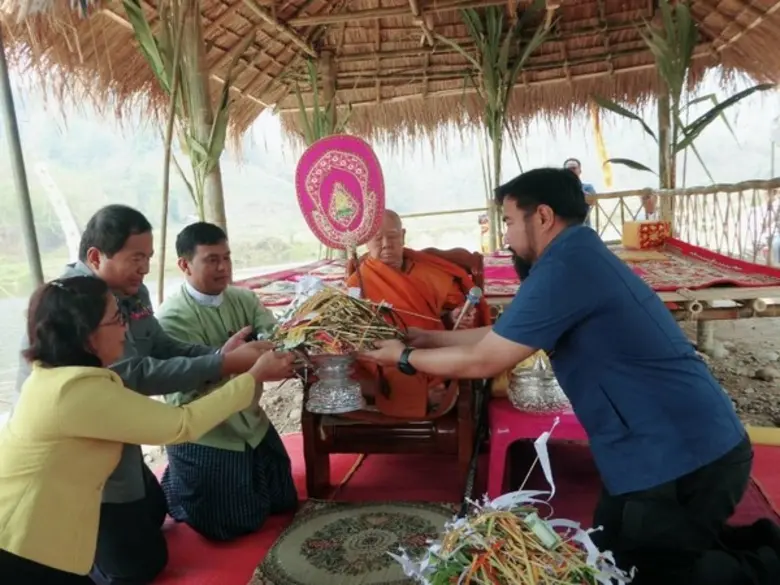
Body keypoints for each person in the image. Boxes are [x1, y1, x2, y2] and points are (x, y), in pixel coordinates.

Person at [361, 168, 779, 584]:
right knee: (611, 557)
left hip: (682, 453)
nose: (505, 237)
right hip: (657, 447)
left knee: (650, 573)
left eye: (509, 221)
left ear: (543, 216)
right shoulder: (574, 256)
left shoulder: (565, 269)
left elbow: (484, 361)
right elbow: (504, 335)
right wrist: (429, 339)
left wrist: (405, 357)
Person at [14, 205, 271, 585]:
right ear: (96, 257)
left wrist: (220, 356)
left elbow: (159, 345)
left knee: (153, 510)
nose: (146, 269)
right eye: (137, 258)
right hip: (74, 456)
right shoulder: (75, 316)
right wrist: (235, 368)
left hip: (118, 428)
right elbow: (151, 391)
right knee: (139, 565)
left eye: (149, 258)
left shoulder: (127, 293)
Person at [157, 222, 298, 541]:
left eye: (226, 258)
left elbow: (276, 338)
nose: (223, 268)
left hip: (251, 422)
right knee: (232, 525)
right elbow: (181, 397)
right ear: (184, 265)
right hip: (208, 432)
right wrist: (231, 362)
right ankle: (177, 482)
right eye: (212, 260)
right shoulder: (171, 319)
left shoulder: (244, 299)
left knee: (283, 501)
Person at [345, 209, 490, 419]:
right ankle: (417, 395)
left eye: (393, 237)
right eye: (377, 239)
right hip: (385, 357)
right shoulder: (357, 283)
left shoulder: (429, 272)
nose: (386, 244)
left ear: (403, 236)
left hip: (432, 351)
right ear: (365, 241)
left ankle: (417, 392)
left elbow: (455, 315)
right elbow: (354, 334)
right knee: (366, 363)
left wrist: (454, 318)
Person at [564, 157, 596, 228]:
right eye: (568, 169)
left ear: (580, 171)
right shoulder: (560, 189)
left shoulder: (587, 187)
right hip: (564, 229)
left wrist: (576, 187)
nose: (571, 171)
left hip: (583, 227)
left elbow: (593, 201)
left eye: (574, 168)